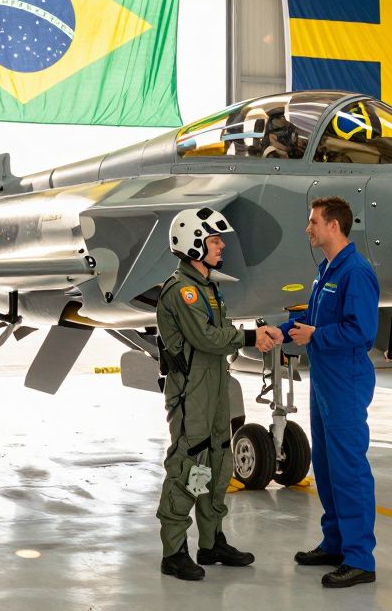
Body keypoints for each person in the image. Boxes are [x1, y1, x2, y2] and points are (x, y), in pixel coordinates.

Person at [155, 206, 278, 581]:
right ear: (193, 245)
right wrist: (250, 337)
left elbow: (218, 338)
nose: (221, 245)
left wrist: (252, 336)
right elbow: (206, 338)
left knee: (218, 461)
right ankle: (174, 551)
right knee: (188, 464)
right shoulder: (183, 291)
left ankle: (211, 542)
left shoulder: (208, 286)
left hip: (215, 385)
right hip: (192, 390)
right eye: (214, 240)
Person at [277, 196, 380, 588]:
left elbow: (362, 332)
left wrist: (316, 335)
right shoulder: (328, 270)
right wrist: (280, 330)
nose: (308, 228)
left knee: (349, 469)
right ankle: (335, 543)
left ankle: (359, 559)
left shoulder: (356, 272)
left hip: (346, 382)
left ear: (333, 226)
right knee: (326, 465)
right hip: (324, 380)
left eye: (313, 222)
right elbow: (311, 319)